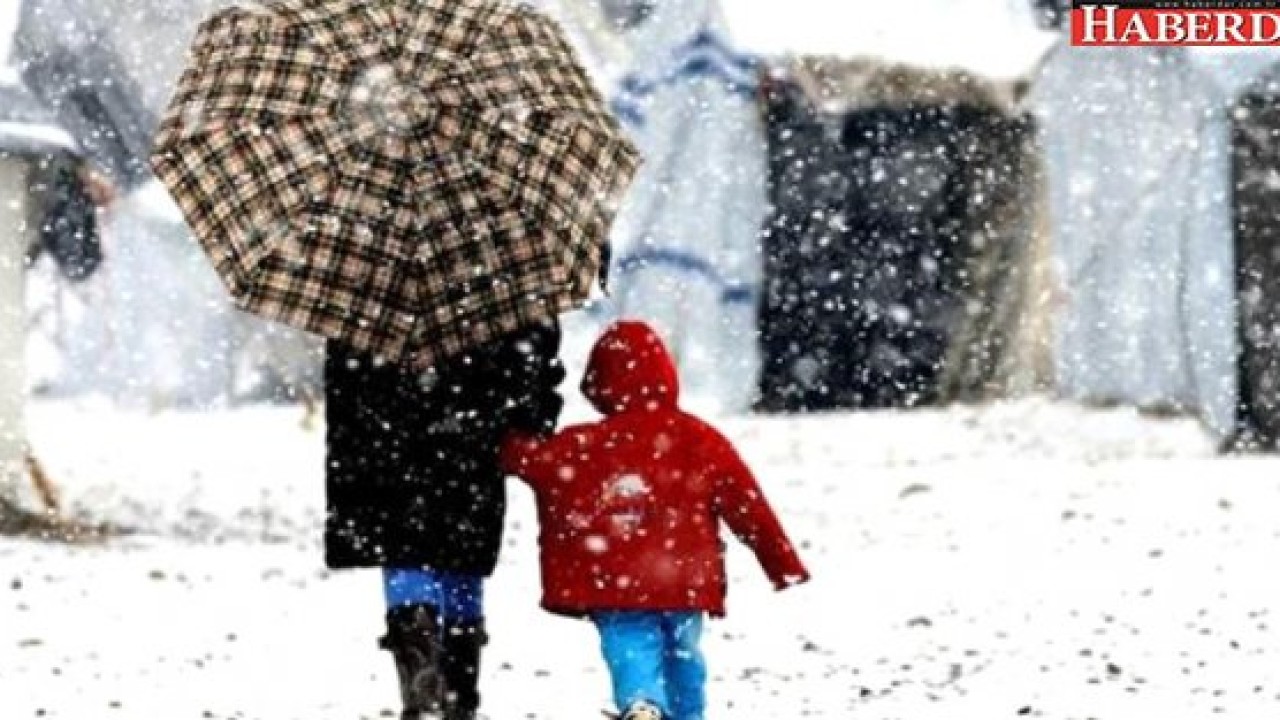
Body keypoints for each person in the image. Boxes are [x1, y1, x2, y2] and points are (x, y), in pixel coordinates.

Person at [500, 320, 810, 720]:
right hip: (685, 579)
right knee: (684, 654)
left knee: (629, 647)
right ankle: (685, 713)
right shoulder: (701, 439)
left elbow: (530, 461)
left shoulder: (582, 445)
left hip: (613, 583)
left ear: (600, 383)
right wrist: (781, 563)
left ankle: (641, 703)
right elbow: (748, 506)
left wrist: (504, 432)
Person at [325, 318, 566, 720]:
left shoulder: (369, 292)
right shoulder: (498, 287)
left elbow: (346, 364)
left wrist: (361, 420)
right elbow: (533, 347)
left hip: (386, 434)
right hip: (471, 429)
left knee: (404, 547)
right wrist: (530, 415)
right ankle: (459, 687)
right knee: (461, 551)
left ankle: (421, 669)